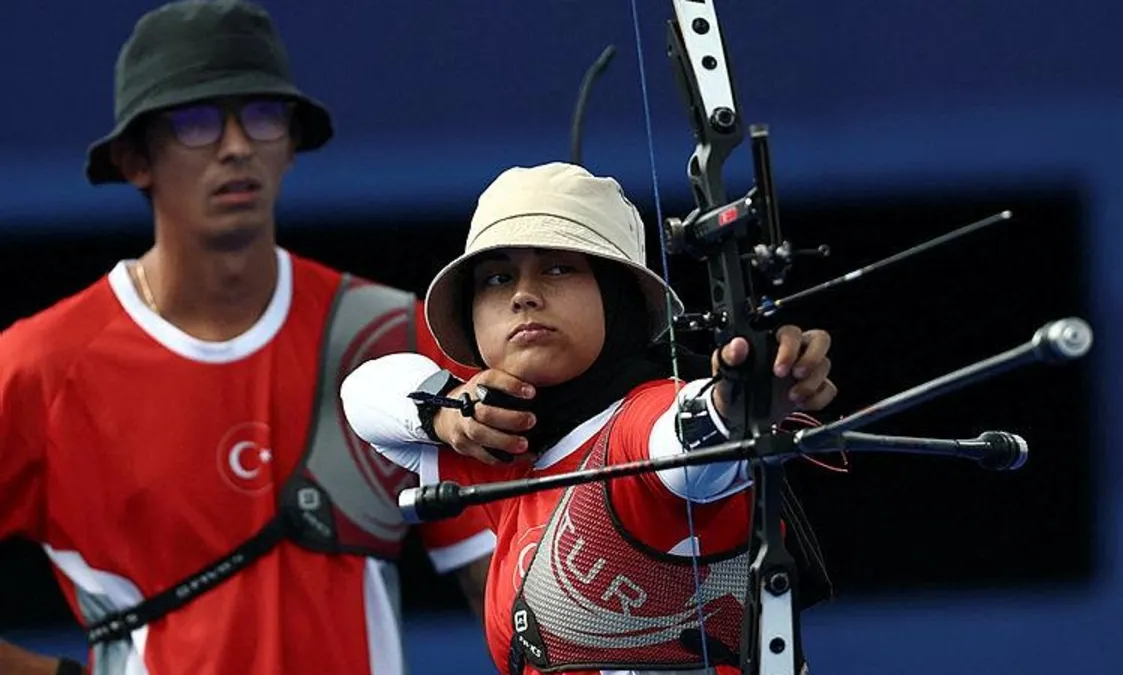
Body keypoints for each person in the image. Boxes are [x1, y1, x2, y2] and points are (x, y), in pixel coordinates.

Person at [0, 2, 494, 674]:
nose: (236, 145)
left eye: (262, 116)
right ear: (135, 159)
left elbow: (498, 580)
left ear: (291, 144)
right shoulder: (38, 367)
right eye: (196, 122)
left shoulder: (389, 338)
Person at [341, 162, 839, 675]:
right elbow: (361, 394)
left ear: (616, 295)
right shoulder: (499, 442)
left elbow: (683, 440)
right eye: (497, 277)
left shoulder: (642, 418)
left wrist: (738, 401)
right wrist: (444, 415)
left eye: (558, 268)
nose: (522, 294)